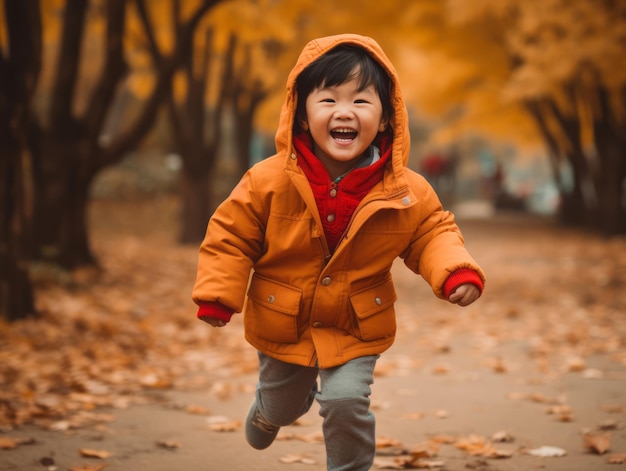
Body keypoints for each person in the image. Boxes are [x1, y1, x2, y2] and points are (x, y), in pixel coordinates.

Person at [192, 33, 485, 470]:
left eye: (361, 101)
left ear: (386, 119)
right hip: (285, 318)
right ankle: (269, 411)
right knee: (285, 404)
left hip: (355, 321)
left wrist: (455, 271)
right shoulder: (266, 180)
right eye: (327, 100)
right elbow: (231, 236)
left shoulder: (405, 189)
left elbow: (431, 232)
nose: (344, 112)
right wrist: (219, 293)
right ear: (302, 116)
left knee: (346, 401)